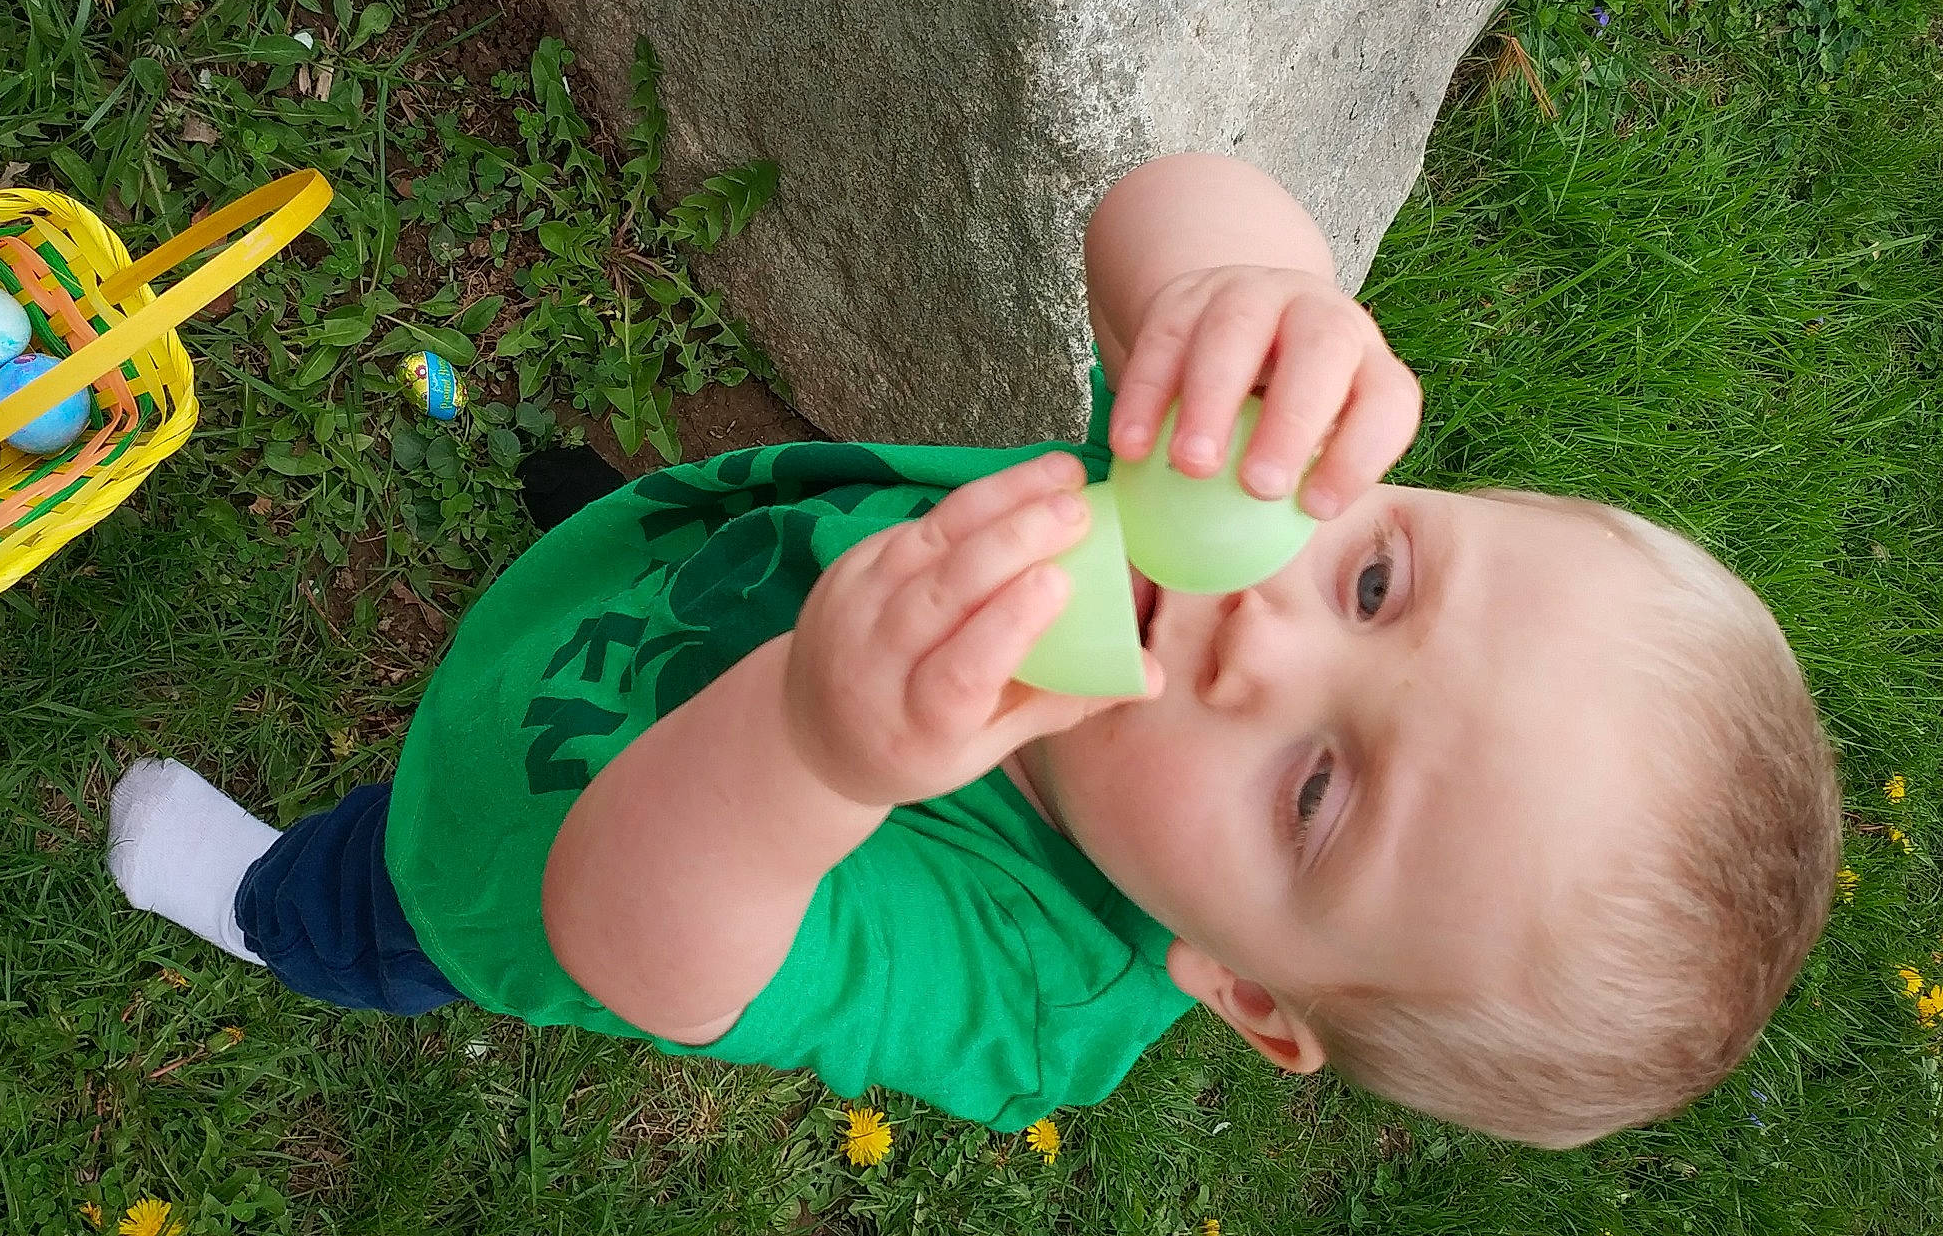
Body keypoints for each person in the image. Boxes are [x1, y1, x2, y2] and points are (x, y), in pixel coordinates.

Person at [106, 153, 1841, 1149]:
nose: (1264, 629)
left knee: (385, 895)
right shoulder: (1205, 519)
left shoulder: (1026, 979)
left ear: (1244, 992)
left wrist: (808, 757)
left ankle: (273, 906)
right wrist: (1240, 289)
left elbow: (633, 946)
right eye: (1381, 583)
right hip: (672, 586)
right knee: (608, 570)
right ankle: (582, 541)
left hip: (505, 845)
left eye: (1318, 791)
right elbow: (1156, 204)